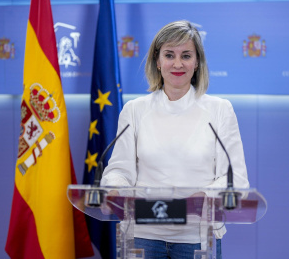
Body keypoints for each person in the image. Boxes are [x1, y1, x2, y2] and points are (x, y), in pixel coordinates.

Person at [101, 20, 249, 259]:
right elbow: (120, 170)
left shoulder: (220, 110)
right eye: (169, 55)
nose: (178, 63)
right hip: (142, 235)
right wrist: (114, 188)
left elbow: (236, 180)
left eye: (186, 55)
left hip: (198, 237)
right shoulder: (134, 110)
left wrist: (202, 196)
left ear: (197, 62)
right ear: (157, 62)